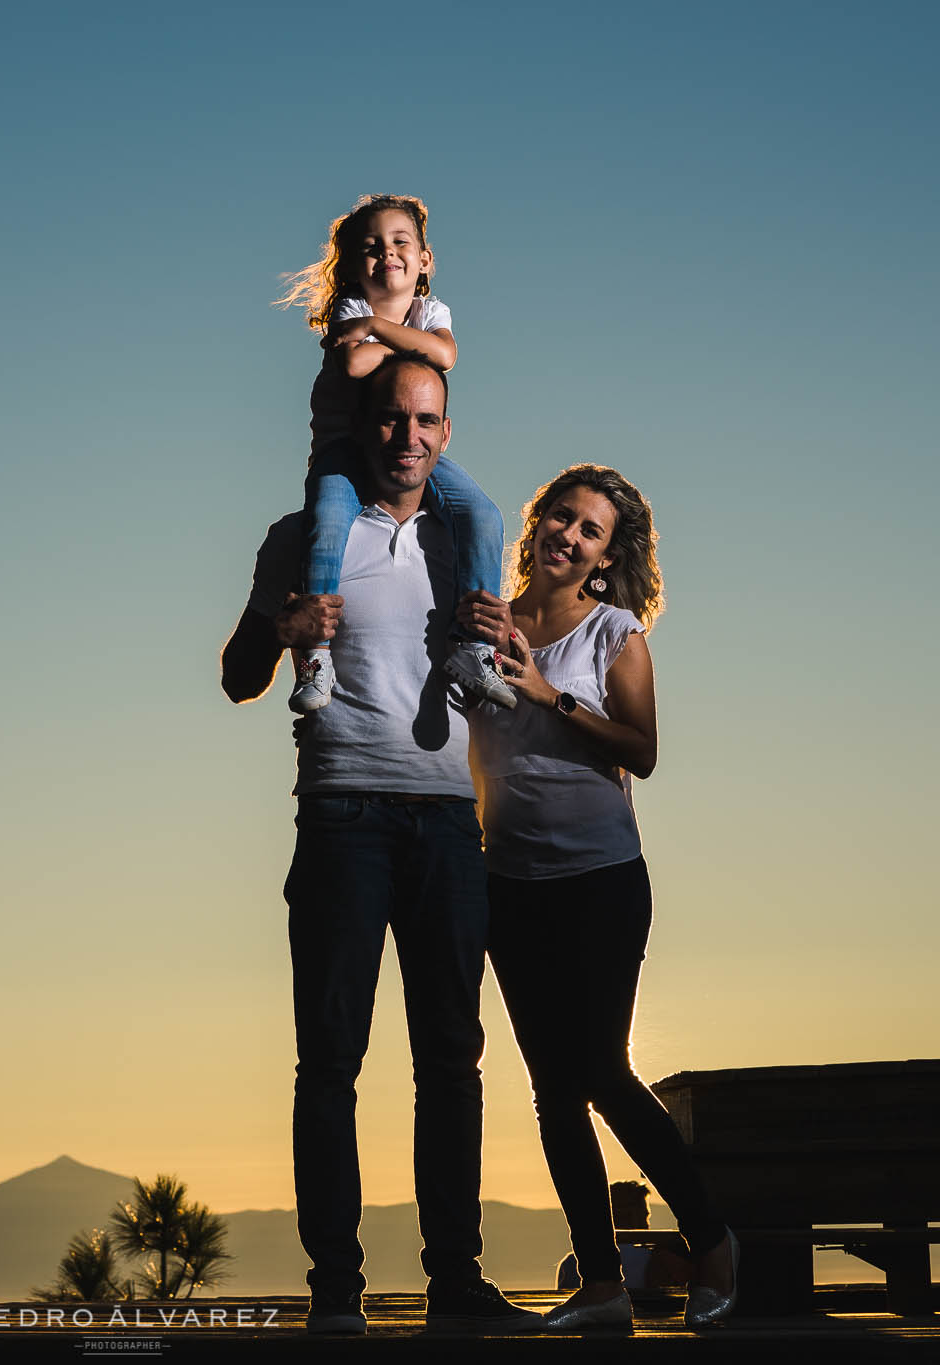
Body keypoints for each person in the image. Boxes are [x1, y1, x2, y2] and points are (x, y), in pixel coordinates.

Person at [220, 354, 540, 1337]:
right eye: (392, 421)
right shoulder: (301, 539)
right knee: (330, 1064)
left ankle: (456, 1287)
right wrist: (282, 630)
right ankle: (335, 1297)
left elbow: (511, 680)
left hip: (449, 822)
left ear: (446, 435)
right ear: (361, 431)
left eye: (426, 422)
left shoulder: (466, 544)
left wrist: (510, 647)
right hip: (343, 820)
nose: (408, 438)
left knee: (452, 1061)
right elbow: (237, 677)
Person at [459, 465, 738, 1332]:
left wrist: (549, 695)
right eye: (561, 518)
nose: (568, 537)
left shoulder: (614, 634)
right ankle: (603, 1282)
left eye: (590, 531)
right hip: (508, 881)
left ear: (607, 558)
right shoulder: (485, 623)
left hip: (601, 882)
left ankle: (713, 1241)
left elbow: (641, 749)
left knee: (602, 1071)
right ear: (536, 523)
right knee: (552, 1089)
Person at [274, 194, 512, 715]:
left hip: (408, 452)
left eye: (401, 243)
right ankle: (316, 656)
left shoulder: (430, 311)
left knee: (483, 515)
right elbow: (358, 367)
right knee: (328, 520)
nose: (388, 254)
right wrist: (404, 342)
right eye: (372, 247)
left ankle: (475, 648)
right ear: (353, 265)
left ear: (424, 259)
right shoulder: (349, 309)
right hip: (345, 452)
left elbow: (445, 353)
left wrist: (380, 331)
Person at [552, 1180, 691, 1309]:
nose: (647, 1224)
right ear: (633, 1216)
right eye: (645, 1216)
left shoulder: (570, 1263)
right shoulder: (657, 1260)